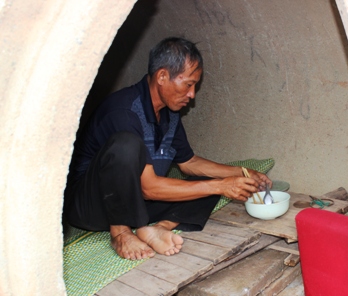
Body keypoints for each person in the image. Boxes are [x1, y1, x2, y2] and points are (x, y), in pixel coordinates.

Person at [64, 37, 271, 261]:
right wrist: (221, 184)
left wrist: (241, 173)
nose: (192, 95)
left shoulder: (169, 113)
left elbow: (189, 163)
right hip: (94, 206)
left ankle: (157, 228)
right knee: (126, 145)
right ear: (162, 76)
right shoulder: (124, 111)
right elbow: (150, 188)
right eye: (189, 84)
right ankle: (121, 233)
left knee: (205, 189)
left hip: (137, 202)